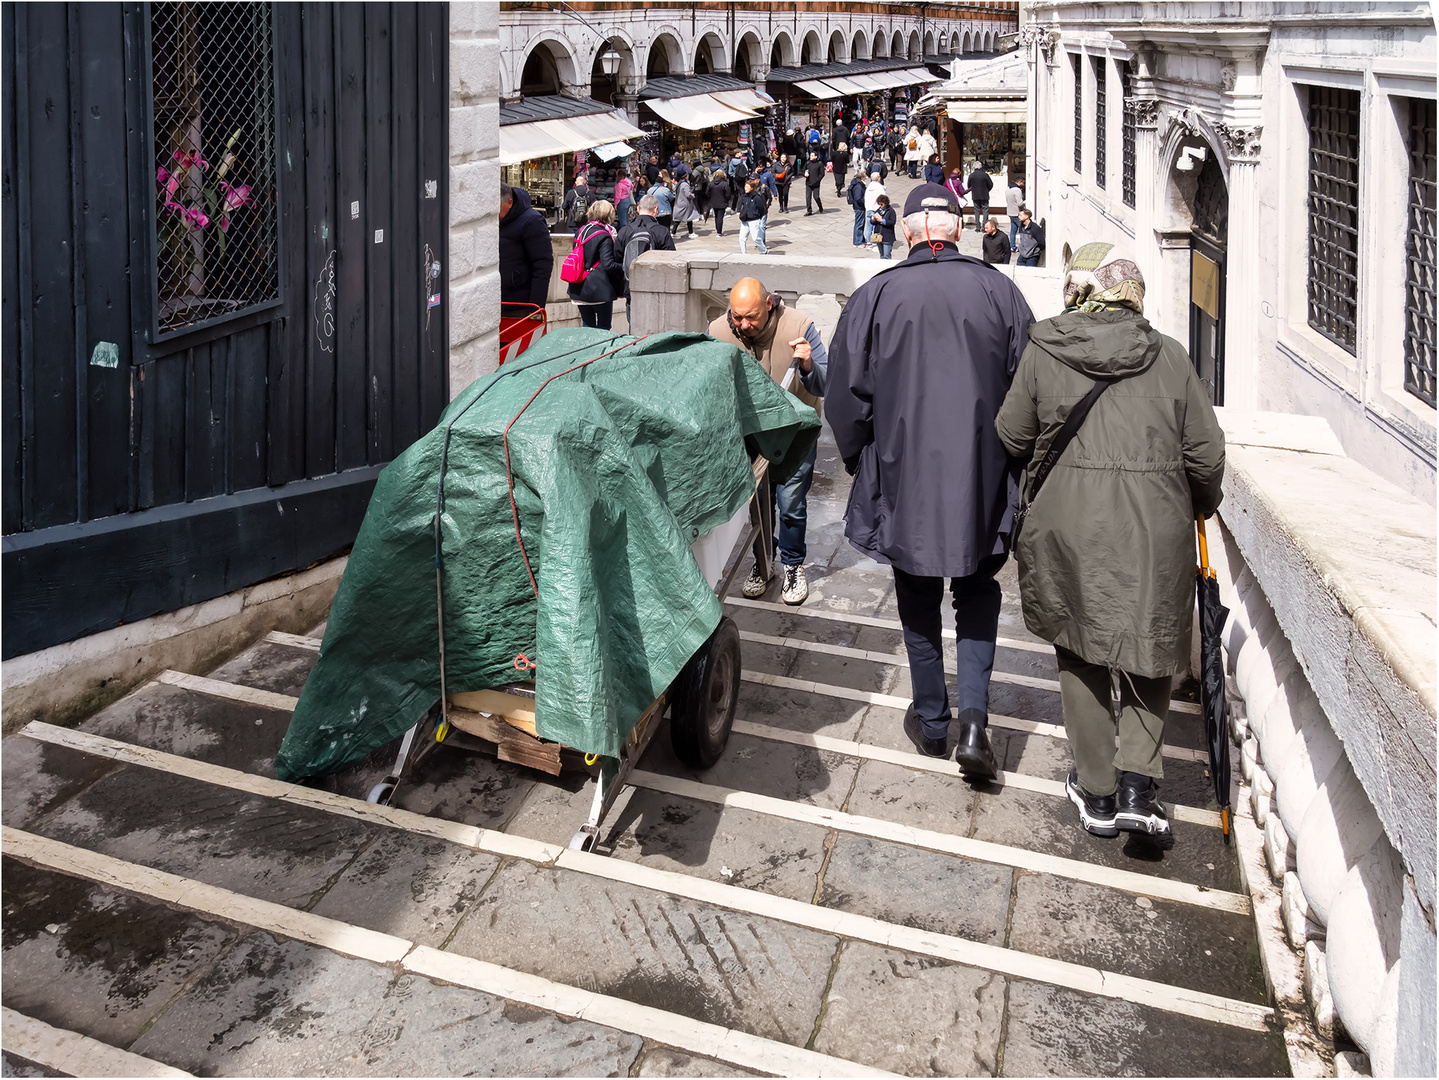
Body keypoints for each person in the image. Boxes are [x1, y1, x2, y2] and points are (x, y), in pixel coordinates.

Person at [995, 243, 1224, 841]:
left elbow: (1011, 435)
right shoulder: (1172, 358)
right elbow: (1206, 455)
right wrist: (1200, 505)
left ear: (1082, 293)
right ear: (1136, 299)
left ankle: (1095, 790)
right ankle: (1139, 788)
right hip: (1155, 531)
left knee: (1080, 649)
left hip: (1067, 529)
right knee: (1151, 649)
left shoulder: (1045, 350)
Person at [826, 182, 1036, 778]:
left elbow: (844, 399)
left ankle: (933, 719)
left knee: (916, 596)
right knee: (976, 592)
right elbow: (1031, 391)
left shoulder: (876, 295)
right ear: (958, 230)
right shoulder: (1001, 292)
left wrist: (860, 460)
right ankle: (974, 722)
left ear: (909, 232)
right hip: (983, 478)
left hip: (903, 475)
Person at [708, 278, 829, 605]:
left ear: (769, 305)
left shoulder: (799, 326)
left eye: (751, 317)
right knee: (758, 505)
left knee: (791, 504)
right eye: (737, 316)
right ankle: (763, 564)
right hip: (750, 435)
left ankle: (792, 564)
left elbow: (825, 382)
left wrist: (806, 362)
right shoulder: (719, 331)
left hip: (793, 433)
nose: (743, 324)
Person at [615, 193, 675, 325]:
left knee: (634, 326)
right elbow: (671, 261)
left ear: (638, 208)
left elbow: (618, 260)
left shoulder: (625, 231)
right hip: (656, 287)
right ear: (655, 210)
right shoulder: (662, 231)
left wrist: (620, 289)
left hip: (630, 287)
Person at [565, 200, 623, 330]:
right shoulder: (604, 236)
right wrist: (624, 267)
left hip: (578, 287)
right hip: (599, 289)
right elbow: (608, 265)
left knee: (587, 326)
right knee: (604, 328)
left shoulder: (581, 231)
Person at [737, 177, 770, 254]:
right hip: (745, 220)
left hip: (754, 220)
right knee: (741, 238)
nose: (745, 188)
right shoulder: (744, 196)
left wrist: (758, 216)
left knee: (756, 238)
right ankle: (743, 253)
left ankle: (764, 250)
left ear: (751, 188)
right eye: (745, 186)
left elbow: (761, 208)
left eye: (747, 187)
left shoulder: (756, 197)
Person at [672, 173, 702, 238]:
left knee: (678, 218)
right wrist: (693, 196)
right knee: (689, 217)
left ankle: (673, 232)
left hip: (679, 202)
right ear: (685, 176)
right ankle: (690, 232)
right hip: (685, 203)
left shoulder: (679, 183)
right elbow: (688, 194)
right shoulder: (685, 184)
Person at [967, 160, 993, 232]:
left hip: (975, 195)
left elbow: (969, 186)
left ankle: (977, 226)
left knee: (976, 210)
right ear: (981, 166)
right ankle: (985, 227)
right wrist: (987, 190)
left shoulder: (971, 175)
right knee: (985, 210)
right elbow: (990, 184)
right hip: (984, 195)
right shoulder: (985, 175)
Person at [863, 172, 887, 246]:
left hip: (868, 207)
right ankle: (874, 241)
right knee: (875, 226)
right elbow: (883, 198)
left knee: (869, 227)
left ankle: (869, 241)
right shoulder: (879, 187)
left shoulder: (869, 187)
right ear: (878, 178)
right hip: (875, 208)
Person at [869, 194, 896, 259]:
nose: (880, 206)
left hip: (887, 236)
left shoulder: (891, 211)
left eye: (882, 204)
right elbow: (873, 223)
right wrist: (873, 220)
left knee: (886, 255)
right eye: (879, 204)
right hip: (879, 236)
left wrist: (882, 221)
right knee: (882, 255)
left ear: (886, 203)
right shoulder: (878, 211)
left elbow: (892, 222)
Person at [707, 168, 732, 236]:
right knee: (720, 217)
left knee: (716, 217)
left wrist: (711, 198)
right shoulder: (724, 184)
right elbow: (728, 194)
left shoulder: (711, 183)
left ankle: (717, 229)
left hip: (714, 202)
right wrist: (726, 200)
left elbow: (707, 193)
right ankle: (719, 231)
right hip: (722, 203)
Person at [848, 170, 869, 247]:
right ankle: (857, 242)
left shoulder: (857, 183)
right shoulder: (858, 186)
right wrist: (865, 201)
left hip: (859, 206)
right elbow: (858, 198)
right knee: (859, 223)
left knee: (861, 223)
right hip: (859, 206)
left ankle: (861, 239)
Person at [804, 150, 825, 215]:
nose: (811, 157)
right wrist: (805, 174)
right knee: (808, 197)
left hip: (816, 183)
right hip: (808, 183)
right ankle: (809, 210)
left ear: (816, 157)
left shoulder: (819, 164)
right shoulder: (808, 163)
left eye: (812, 156)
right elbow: (804, 170)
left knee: (816, 196)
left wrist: (817, 180)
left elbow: (822, 173)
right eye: (810, 155)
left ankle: (820, 206)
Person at [1007, 178, 1025, 248]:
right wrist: (1026, 201)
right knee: (1023, 231)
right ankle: (1023, 246)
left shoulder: (1008, 189)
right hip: (1017, 213)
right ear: (1020, 182)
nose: (1024, 185)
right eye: (1023, 183)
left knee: (1013, 231)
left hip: (1010, 212)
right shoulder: (1017, 190)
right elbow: (1020, 203)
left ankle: (1012, 246)